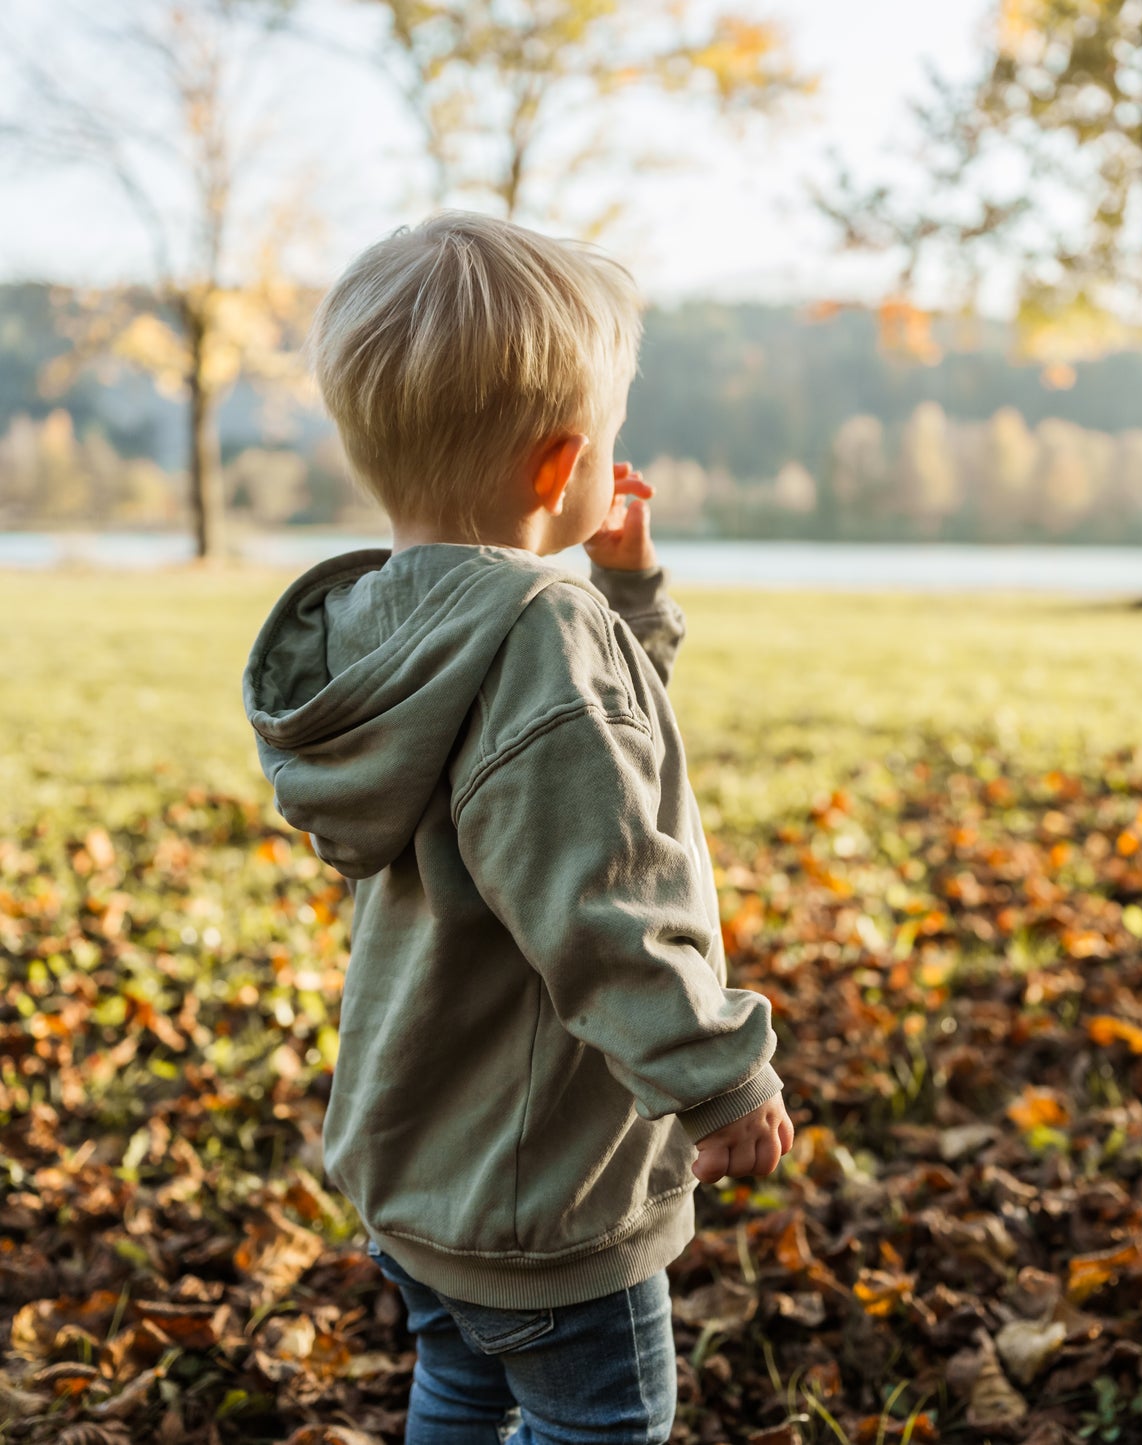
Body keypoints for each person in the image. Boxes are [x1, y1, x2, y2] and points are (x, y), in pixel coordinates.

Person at [241, 212, 795, 1445]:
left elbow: (579, 753)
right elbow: (603, 894)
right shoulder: (543, 639)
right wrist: (717, 1074)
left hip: (419, 1162)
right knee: (603, 1419)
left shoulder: (391, 625)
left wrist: (626, 597)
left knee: (459, 1385)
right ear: (559, 471)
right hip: (538, 1185)